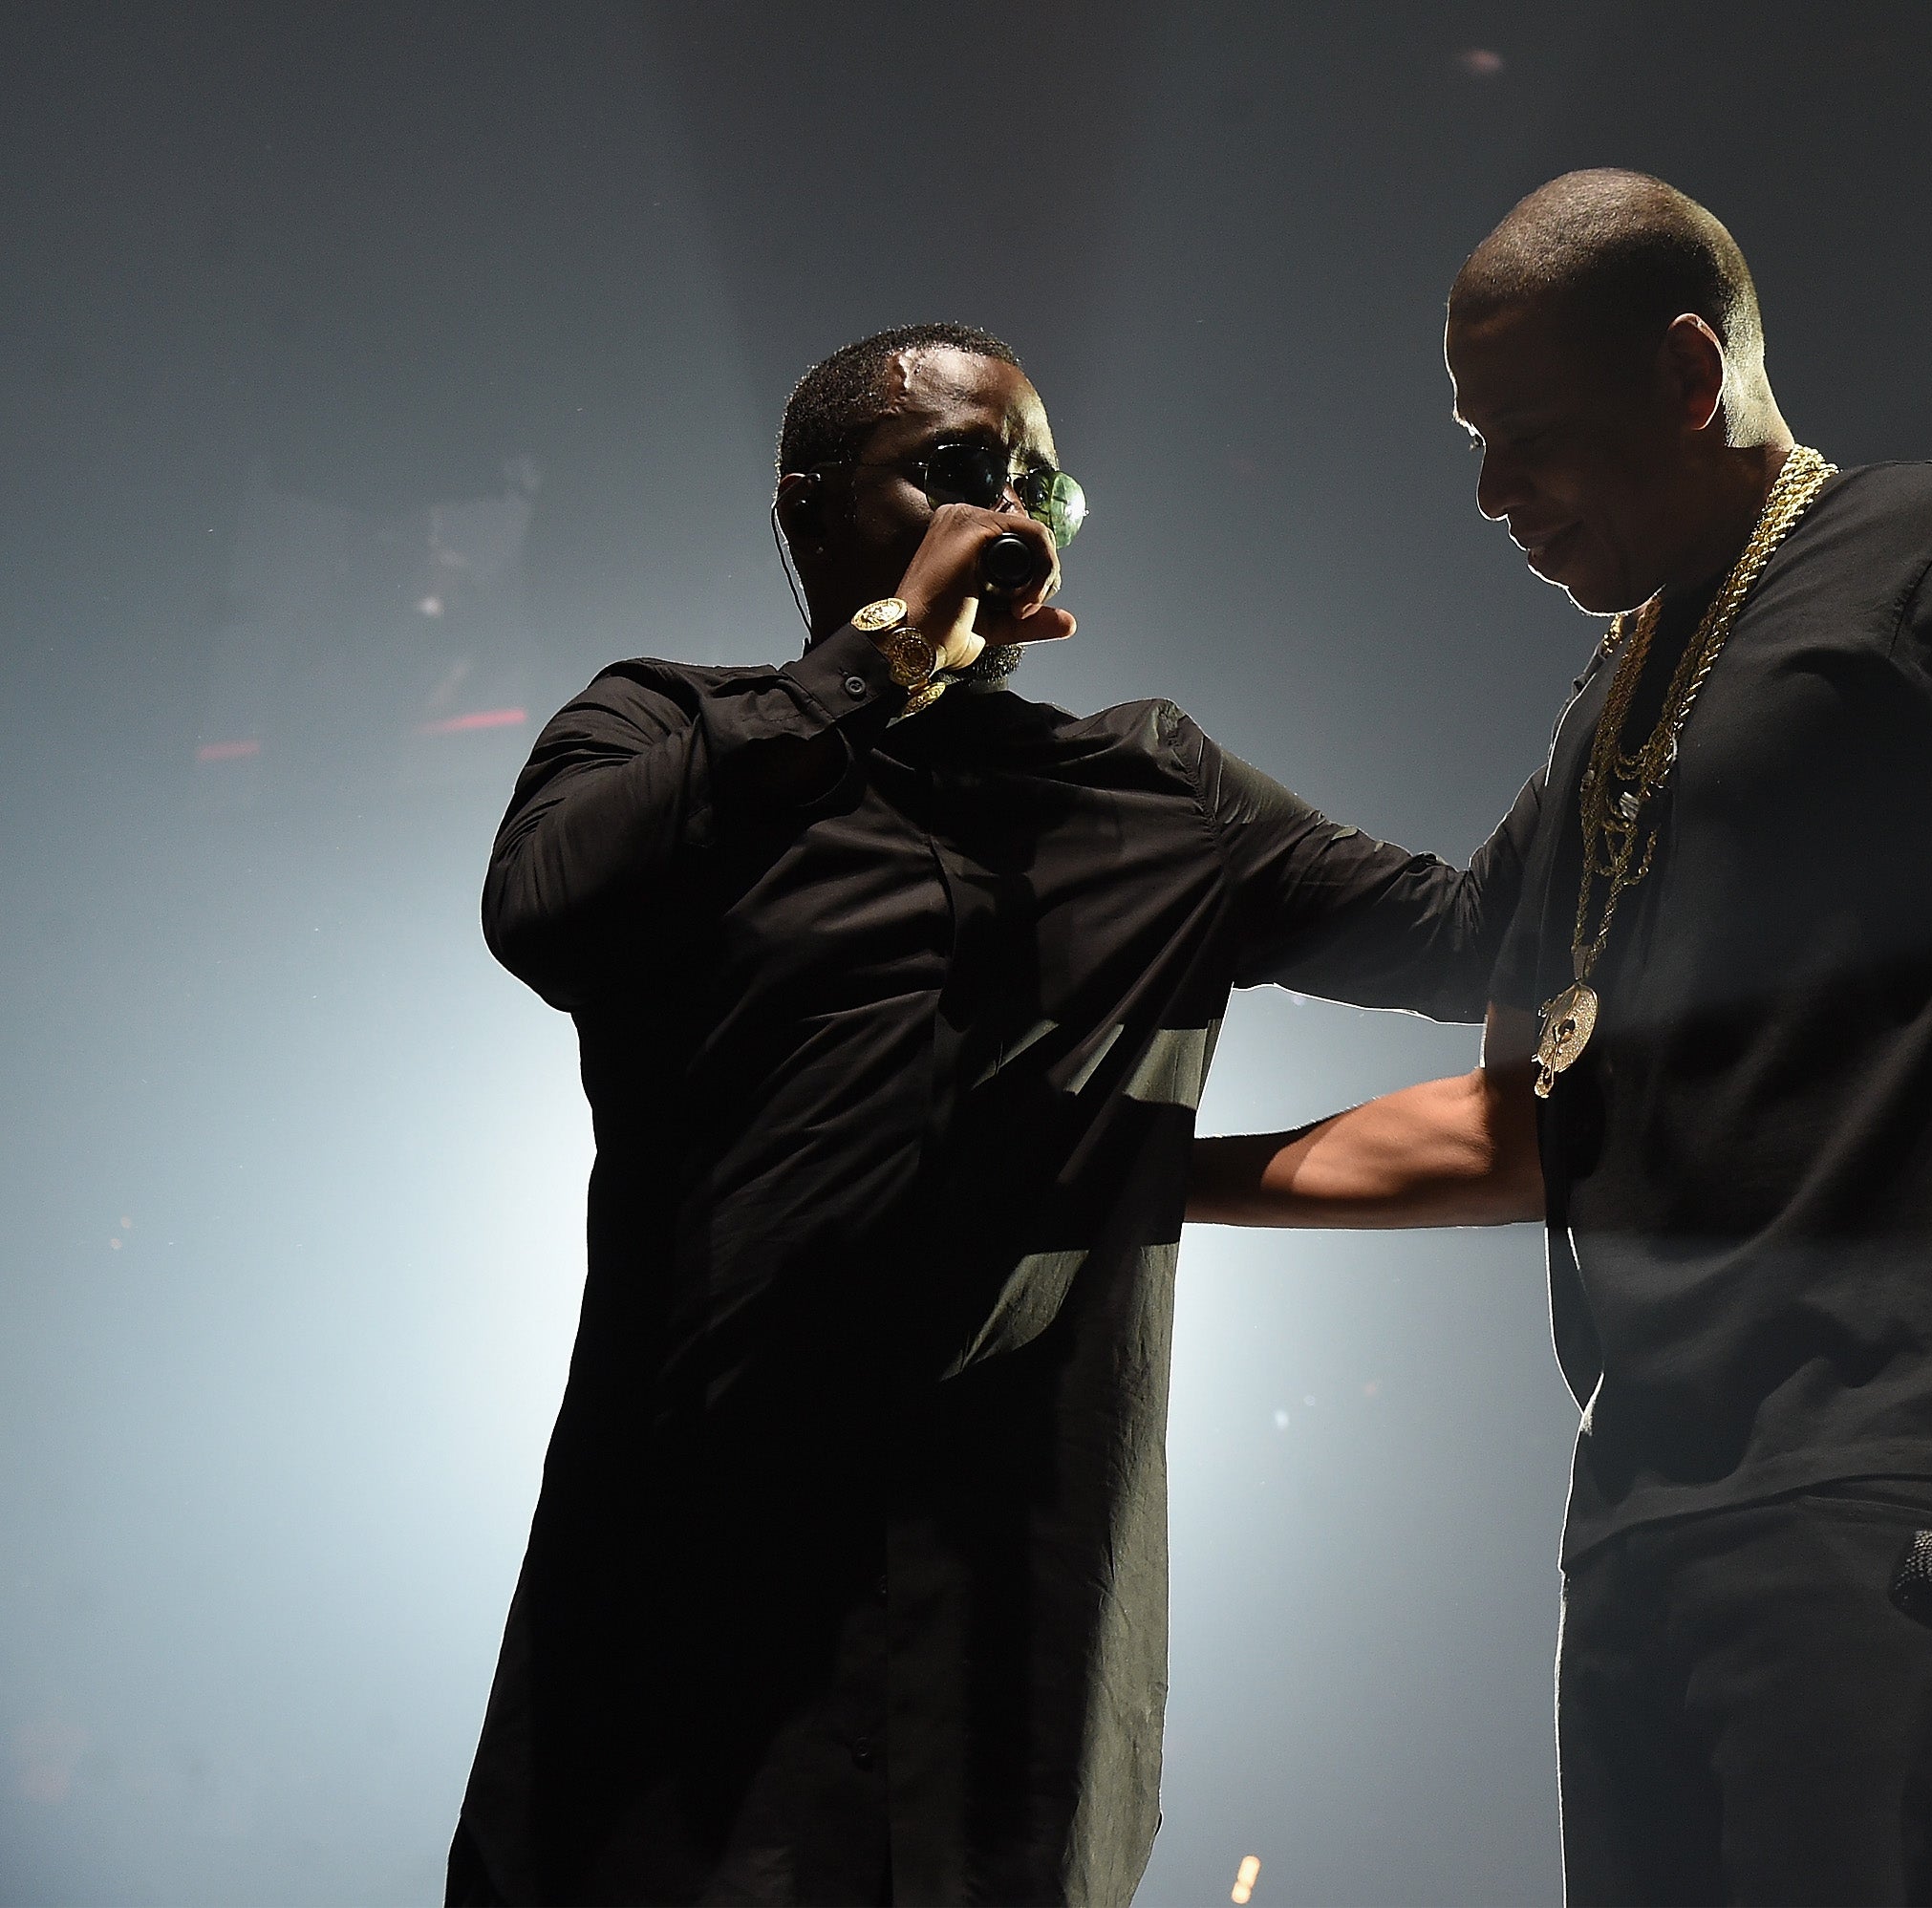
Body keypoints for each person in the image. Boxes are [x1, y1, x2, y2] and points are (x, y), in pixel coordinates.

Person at [1190, 171, 1932, 1904]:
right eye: (1475, 439)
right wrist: (1133, 1180)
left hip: (1907, 1495)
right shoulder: (1614, 702)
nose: (1490, 494)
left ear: (1690, 376)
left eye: (1532, 435)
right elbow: (1511, 1128)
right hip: (1641, 1519)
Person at [446, 322, 1511, 1906]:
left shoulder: (1155, 790)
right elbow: (544, 905)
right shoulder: (666, 729)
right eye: (954, 471)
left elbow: (1486, 937)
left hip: (998, 1650)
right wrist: (871, 665)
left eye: (1039, 489)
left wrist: (1661, 678)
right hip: (685, 1626)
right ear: (809, 508)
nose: (1007, 516)